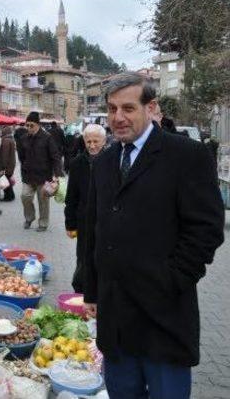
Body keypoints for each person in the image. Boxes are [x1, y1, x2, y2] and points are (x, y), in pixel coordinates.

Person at [83, 72, 225, 398]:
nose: (118, 118)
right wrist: (91, 289)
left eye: (128, 108)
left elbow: (206, 230)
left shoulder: (187, 156)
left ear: (151, 107)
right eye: (112, 108)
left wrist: (170, 280)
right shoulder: (104, 163)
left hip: (163, 318)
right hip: (115, 321)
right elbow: (94, 228)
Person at [64, 124, 106, 293]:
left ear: (104, 141)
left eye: (96, 141)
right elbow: (71, 197)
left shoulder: (112, 160)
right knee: (83, 257)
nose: (92, 145)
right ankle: (80, 290)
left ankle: (102, 291)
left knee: (103, 257)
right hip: (84, 220)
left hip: (105, 220)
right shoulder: (77, 163)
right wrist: (70, 224)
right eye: (88, 141)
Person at [16, 111, 63, 232]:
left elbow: (55, 157)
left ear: (38, 125)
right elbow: (21, 156)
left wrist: (57, 175)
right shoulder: (23, 138)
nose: (29, 128)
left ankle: (43, 223)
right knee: (25, 196)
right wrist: (24, 167)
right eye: (27, 125)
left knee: (43, 201)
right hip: (28, 175)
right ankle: (29, 218)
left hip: (43, 176)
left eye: (32, 125)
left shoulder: (47, 138)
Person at [0, 125, 17, 202]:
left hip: (7, 165)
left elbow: (5, 155)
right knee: (7, 180)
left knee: (5, 181)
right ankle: (11, 196)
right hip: (11, 164)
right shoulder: (11, 139)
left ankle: (8, 197)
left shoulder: (5, 141)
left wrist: (3, 167)